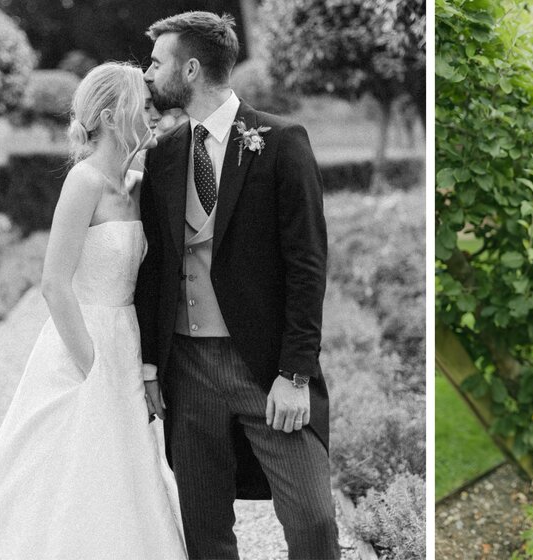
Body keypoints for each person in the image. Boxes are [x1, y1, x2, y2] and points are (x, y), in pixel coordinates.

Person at [0, 62, 187, 559]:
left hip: (129, 341)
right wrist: (94, 367)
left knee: (127, 473)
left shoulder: (139, 184)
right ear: (110, 114)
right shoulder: (84, 181)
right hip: (85, 345)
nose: (151, 114)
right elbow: (54, 285)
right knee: (67, 468)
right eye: (141, 105)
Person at [135, 11, 339, 559]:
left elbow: (307, 265)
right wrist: (151, 364)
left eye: (157, 63)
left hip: (267, 368)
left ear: (192, 69)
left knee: (314, 523)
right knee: (205, 535)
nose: (149, 75)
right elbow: (153, 268)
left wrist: (294, 373)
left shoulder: (282, 142)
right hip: (188, 369)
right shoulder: (164, 156)